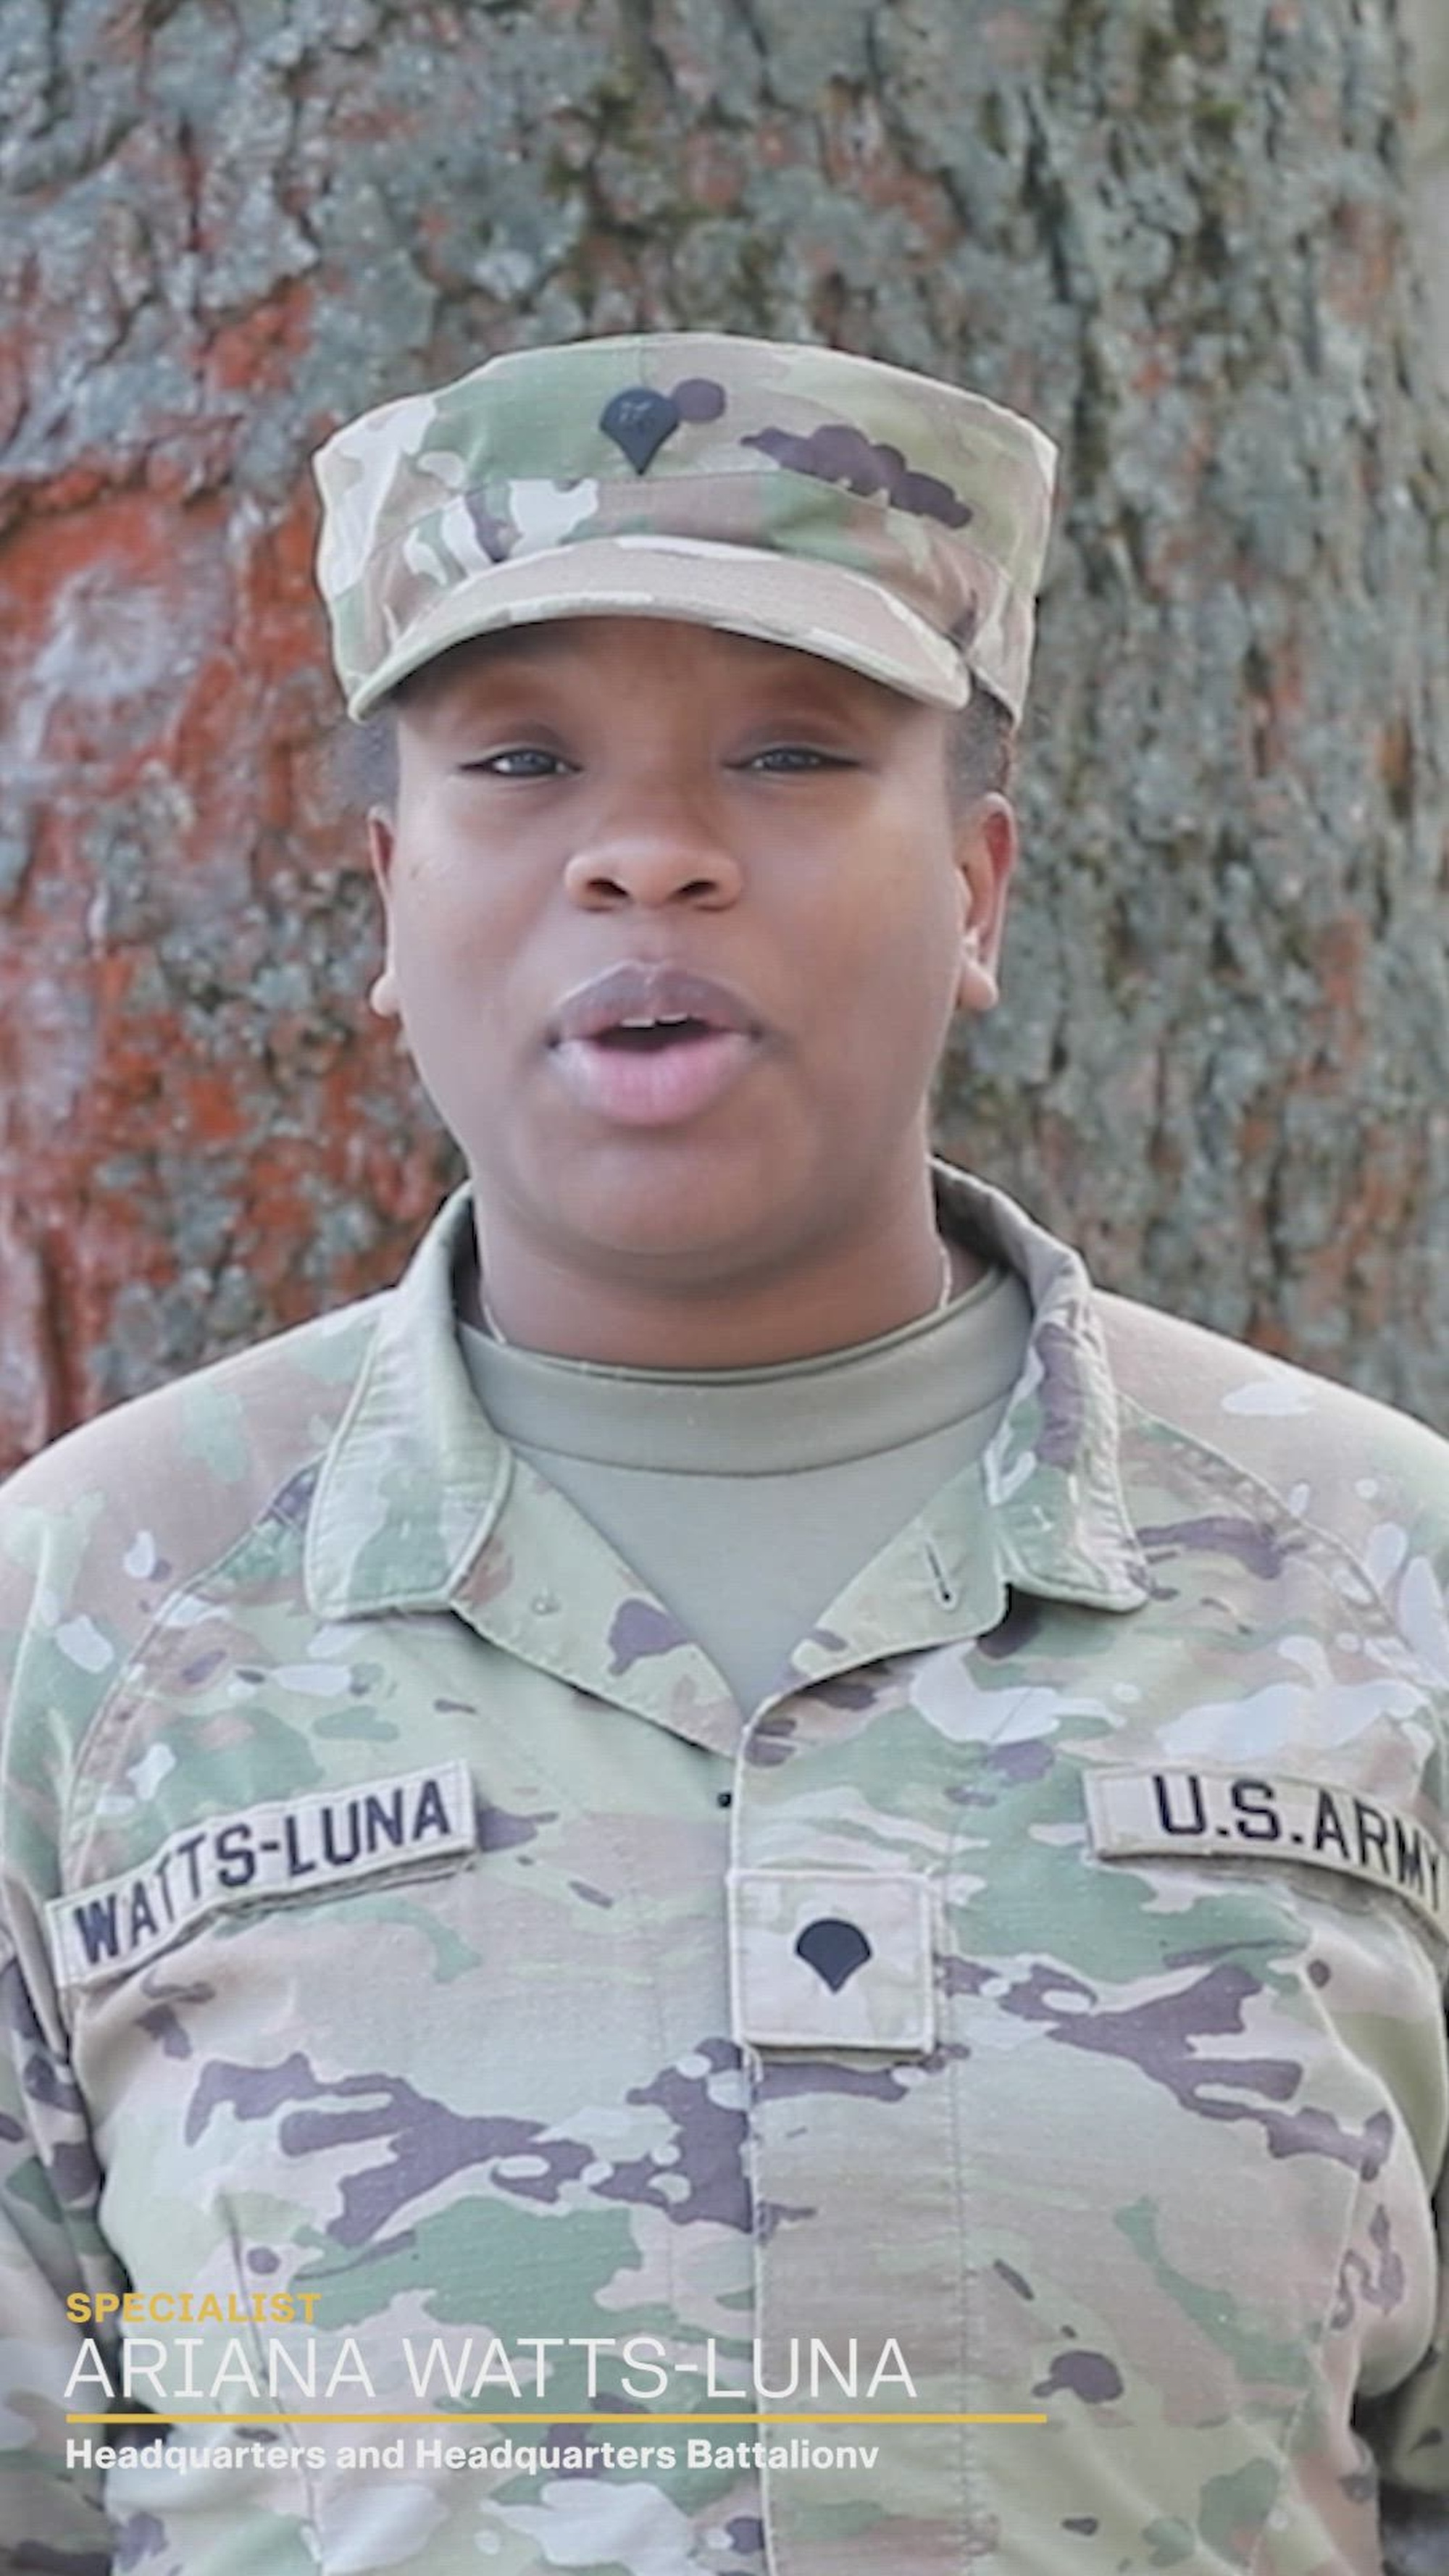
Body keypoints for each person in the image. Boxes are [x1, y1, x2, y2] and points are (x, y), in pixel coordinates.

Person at [1, 330, 1445, 2576]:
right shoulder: (86, 1627)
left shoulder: (1387, 1586)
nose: (650, 856)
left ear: (976, 883)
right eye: (523, 760)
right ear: (388, 893)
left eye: (790, 755)